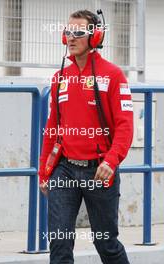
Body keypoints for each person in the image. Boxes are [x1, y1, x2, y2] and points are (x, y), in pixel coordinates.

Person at [39, 9, 133, 264]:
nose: (71, 37)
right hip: (64, 170)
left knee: (106, 244)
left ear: (95, 37)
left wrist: (111, 161)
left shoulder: (113, 75)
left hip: (100, 171)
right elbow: (52, 128)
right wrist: (44, 171)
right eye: (68, 31)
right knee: (59, 241)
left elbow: (125, 126)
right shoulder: (60, 78)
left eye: (79, 32)